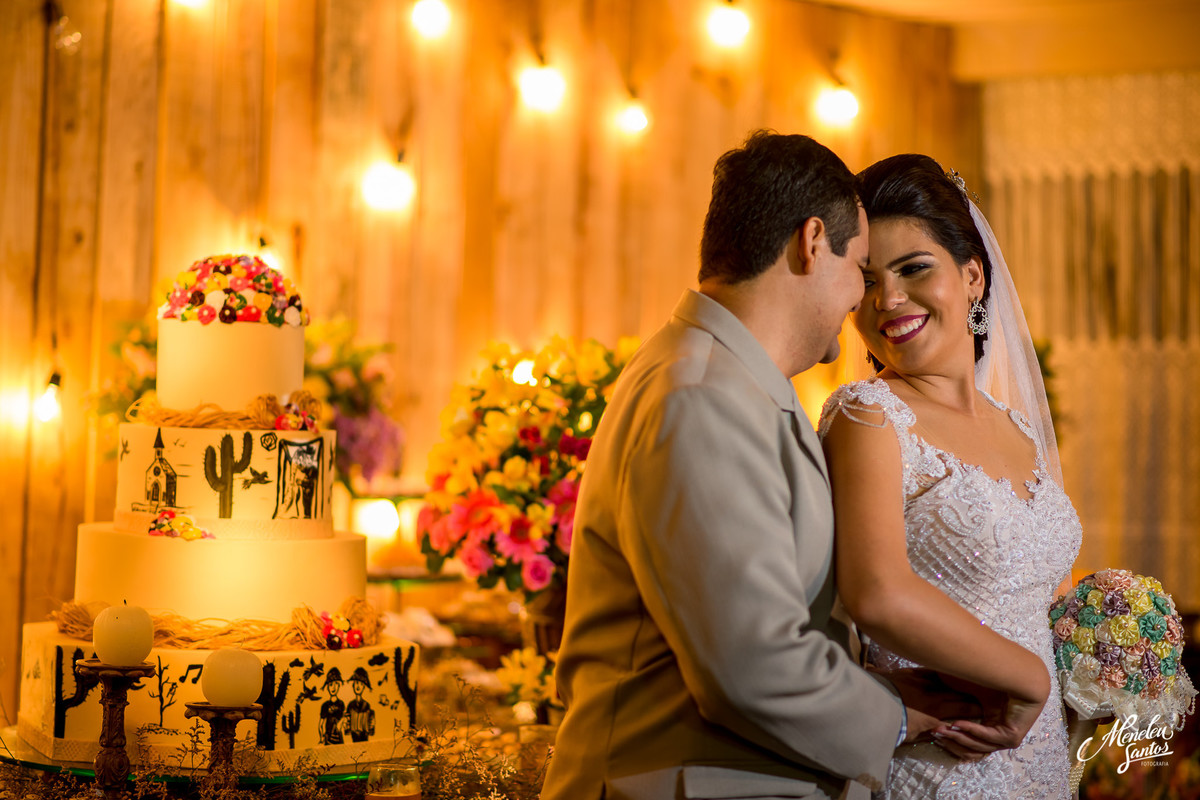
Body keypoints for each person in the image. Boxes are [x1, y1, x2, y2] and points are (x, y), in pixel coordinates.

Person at [542, 132, 997, 800]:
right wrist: (895, 716)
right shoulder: (700, 398)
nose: (862, 300)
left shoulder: (733, 382)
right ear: (813, 242)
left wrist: (873, 686)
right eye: (861, 267)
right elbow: (750, 663)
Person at [818, 154, 1083, 798]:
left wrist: (1096, 656)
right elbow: (875, 595)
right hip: (946, 766)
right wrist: (1030, 679)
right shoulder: (868, 417)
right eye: (868, 279)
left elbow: (1038, 594)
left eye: (914, 269)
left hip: (1044, 756)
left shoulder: (1016, 427)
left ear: (971, 277)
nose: (888, 300)